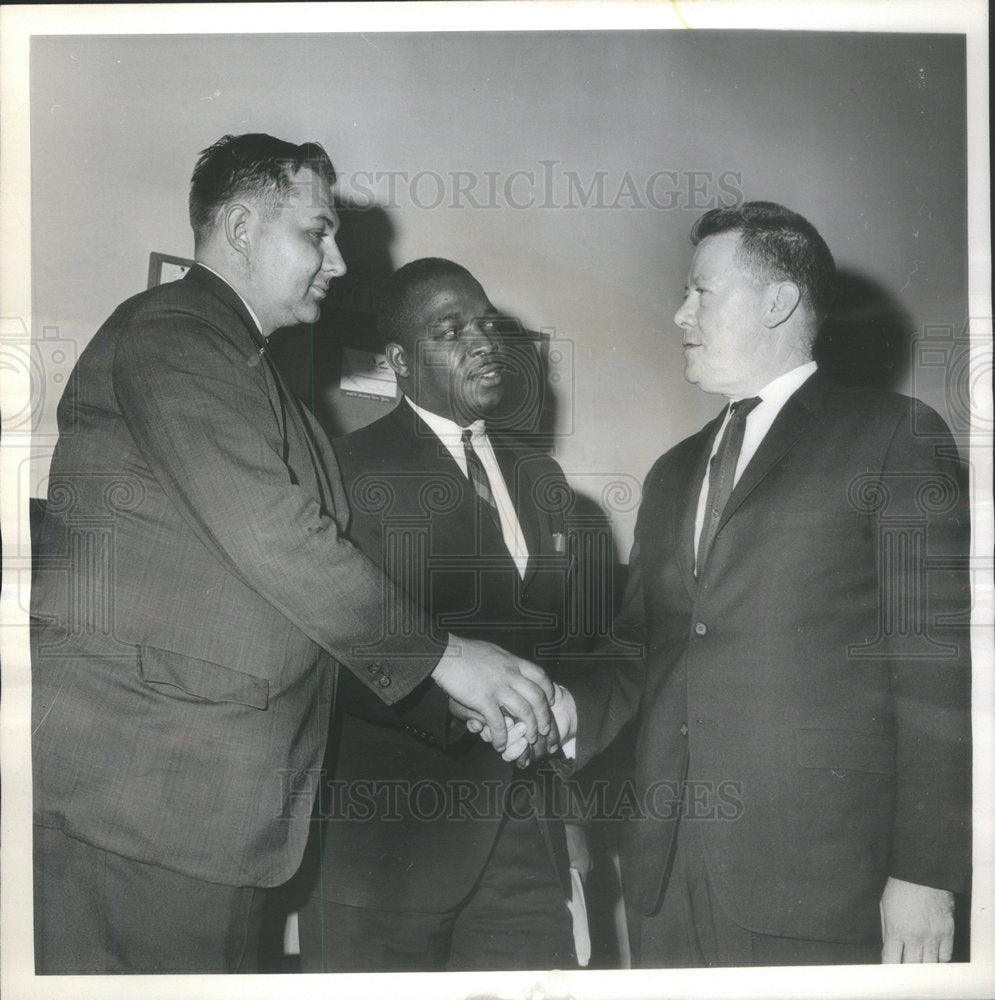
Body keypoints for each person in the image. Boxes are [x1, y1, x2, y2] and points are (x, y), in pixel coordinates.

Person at [31, 136, 556, 975]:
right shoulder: (173, 333)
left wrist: (439, 695)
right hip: (146, 802)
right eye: (317, 232)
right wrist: (446, 658)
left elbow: (292, 600)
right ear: (240, 228)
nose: (338, 261)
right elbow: (272, 533)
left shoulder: (256, 376)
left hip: (206, 809)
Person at [501, 202, 972, 967]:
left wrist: (924, 873)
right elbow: (640, 646)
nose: (679, 312)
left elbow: (936, 668)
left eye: (700, 292)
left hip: (816, 882)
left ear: (778, 301)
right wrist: (570, 706)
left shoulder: (892, 435)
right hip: (662, 875)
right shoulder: (672, 470)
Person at [296, 258, 589, 972]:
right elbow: (314, 652)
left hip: (523, 835)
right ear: (399, 360)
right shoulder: (343, 472)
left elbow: (572, 642)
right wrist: (446, 697)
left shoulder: (543, 482)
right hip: (383, 845)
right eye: (450, 331)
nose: (483, 343)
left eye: (488, 326)